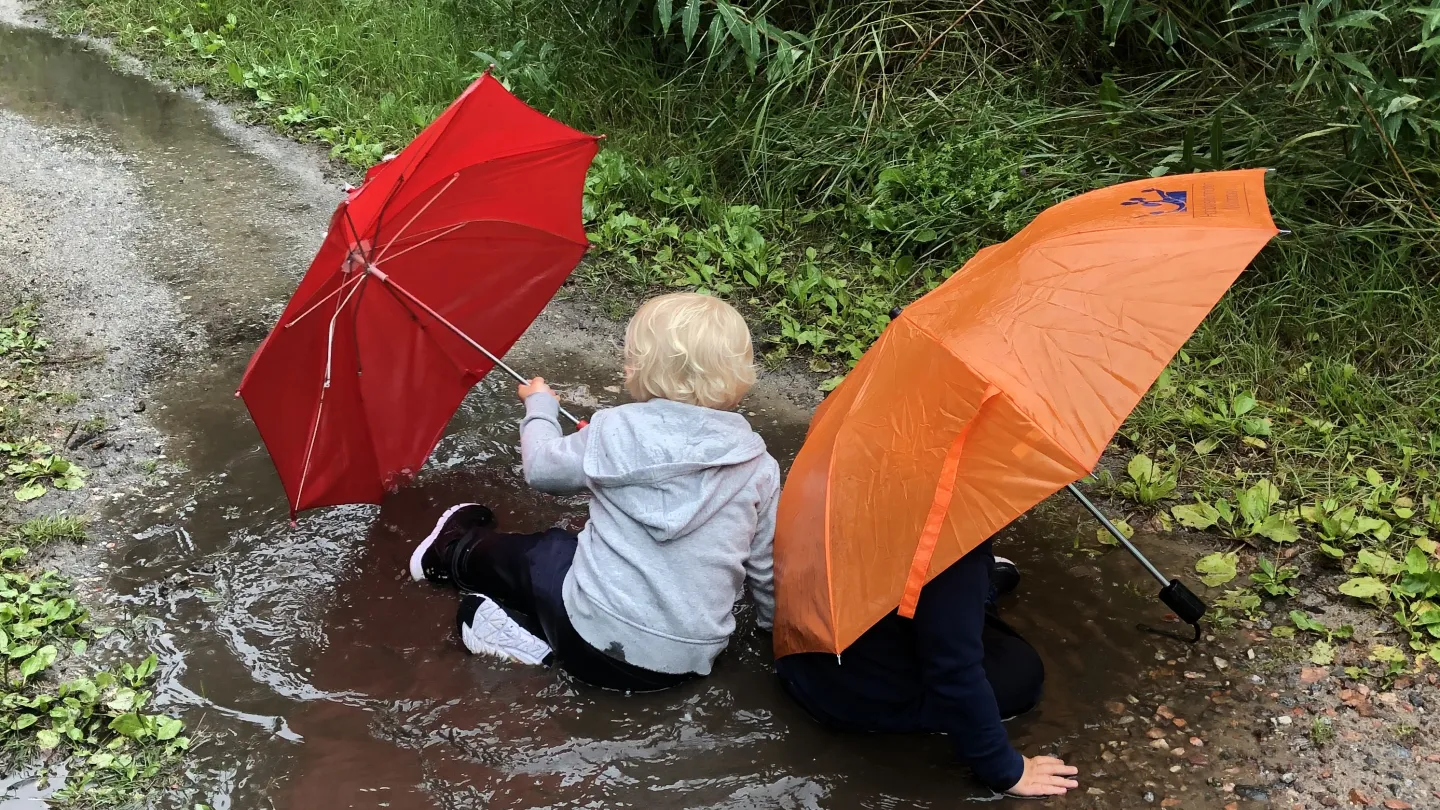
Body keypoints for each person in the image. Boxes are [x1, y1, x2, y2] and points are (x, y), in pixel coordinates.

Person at [408, 292, 780, 693]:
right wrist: (769, 629)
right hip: (688, 664)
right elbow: (765, 565)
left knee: (550, 550)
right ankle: (540, 642)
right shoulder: (758, 465)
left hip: (589, 641)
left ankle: (452, 554)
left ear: (639, 368)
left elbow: (541, 470)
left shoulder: (614, 430)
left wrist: (540, 408)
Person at [774, 542, 1080, 797]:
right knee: (1021, 673)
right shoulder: (951, 536)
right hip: (855, 702)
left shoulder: (851, 488)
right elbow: (955, 673)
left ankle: (969, 600)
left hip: (801, 659)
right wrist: (1005, 769)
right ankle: (979, 603)